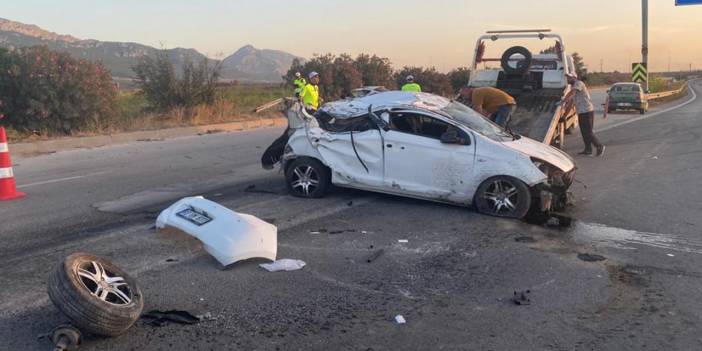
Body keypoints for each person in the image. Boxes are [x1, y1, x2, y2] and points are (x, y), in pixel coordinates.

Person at [563, 73, 605, 156]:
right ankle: (588, 149)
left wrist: (563, 100)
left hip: (587, 111)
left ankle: (599, 146)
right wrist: (564, 116)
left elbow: (572, 93)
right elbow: (571, 103)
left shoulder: (579, 83)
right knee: (583, 132)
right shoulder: (573, 87)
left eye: (569, 78)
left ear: (574, 77)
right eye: (567, 78)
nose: (568, 79)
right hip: (581, 112)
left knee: (588, 132)